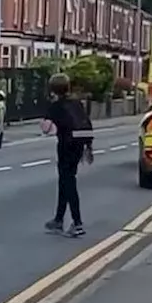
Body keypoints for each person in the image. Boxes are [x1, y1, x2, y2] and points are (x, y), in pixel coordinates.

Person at [42, 72, 94, 237]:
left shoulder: (56, 106)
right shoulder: (77, 102)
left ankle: (77, 223)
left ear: (53, 89)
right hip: (79, 144)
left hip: (66, 145)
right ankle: (58, 220)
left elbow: (46, 128)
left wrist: (48, 122)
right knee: (65, 181)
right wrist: (89, 147)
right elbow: (86, 123)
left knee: (68, 182)